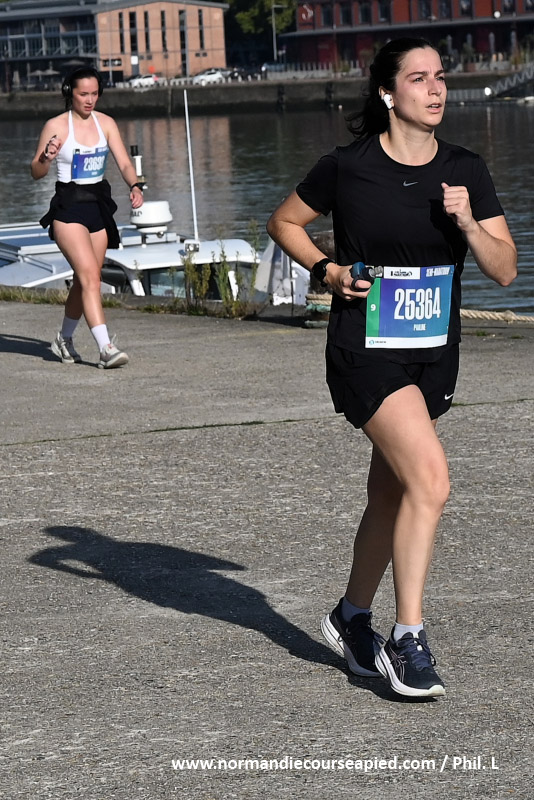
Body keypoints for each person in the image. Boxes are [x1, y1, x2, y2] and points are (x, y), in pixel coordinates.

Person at [266, 38, 517, 698]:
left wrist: (469, 223)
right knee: (431, 481)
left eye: (441, 78)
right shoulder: (347, 166)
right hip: (364, 349)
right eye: (419, 78)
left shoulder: (465, 169)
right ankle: (407, 641)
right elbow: (284, 222)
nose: (435, 90)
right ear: (387, 92)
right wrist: (327, 270)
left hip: (432, 355)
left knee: (392, 494)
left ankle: (350, 618)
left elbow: (505, 269)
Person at [31, 67, 145, 369]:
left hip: (98, 206)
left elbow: (124, 162)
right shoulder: (56, 125)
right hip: (68, 208)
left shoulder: (105, 123)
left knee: (86, 281)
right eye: (83, 94)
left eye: (95, 94)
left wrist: (135, 185)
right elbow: (35, 171)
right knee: (90, 278)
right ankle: (106, 348)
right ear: (70, 93)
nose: (90, 100)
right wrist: (46, 157)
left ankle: (64, 339)